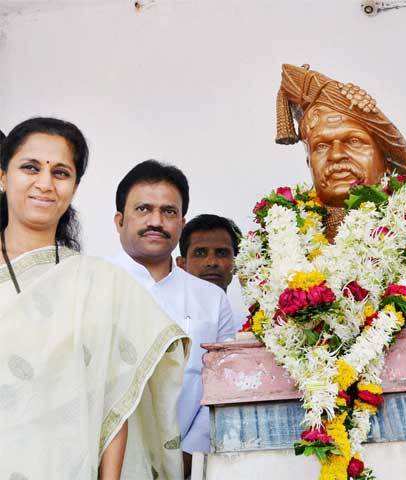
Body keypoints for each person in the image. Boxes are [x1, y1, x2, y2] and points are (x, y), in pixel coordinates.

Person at [0, 118, 189, 479]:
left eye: (60, 172)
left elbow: (115, 405)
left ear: (73, 186)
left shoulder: (100, 284)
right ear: (3, 177)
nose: (44, 183)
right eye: (30, 167)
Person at [275, 63, 406, 292]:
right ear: (308, 162)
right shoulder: (277, 243)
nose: (336, 155)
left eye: (354, 141)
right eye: (322, 146)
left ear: (387, 161)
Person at [108, 160, 236, 477]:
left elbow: (223, 386)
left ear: (181, 223)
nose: (156, 221)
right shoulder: (94, 283)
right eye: (143, 209)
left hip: (185, 462)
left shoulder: (211, 298)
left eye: (168, 212)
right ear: (120, 220)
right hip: (104, 460)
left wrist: (191, 452)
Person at [177, 214, 245, 330]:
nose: (212, 262)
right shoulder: (165, 319)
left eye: (222, 253)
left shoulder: (249, 325)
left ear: (237, 263)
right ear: (181, 264)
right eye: (200, 253)